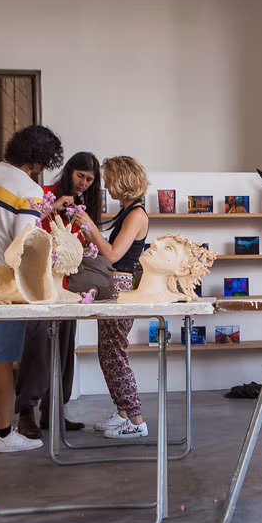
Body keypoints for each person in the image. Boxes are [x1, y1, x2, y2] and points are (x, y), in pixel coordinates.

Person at [0, 125, 63, 453]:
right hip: (2, 279)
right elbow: (23, 245)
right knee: (3, 360)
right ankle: (5, 435)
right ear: (38, 162)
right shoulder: (29, 189)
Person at [14, 152, 101, 438]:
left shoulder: (85, 205)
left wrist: (87, 226)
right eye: (80, 176)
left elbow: (91, 246)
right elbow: (25, 231)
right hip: (40, 285)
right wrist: (50, 208)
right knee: (36, 345)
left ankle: (55, 411)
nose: (83, 183)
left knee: (65, 346)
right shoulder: (45, 194)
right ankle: (26, 410)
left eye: (89, 179)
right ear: (69, 172)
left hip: (69, 286)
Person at [73, 156, 151, 439]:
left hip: (120, 286)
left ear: (121, 180)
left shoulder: (136, 215)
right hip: (113, 286)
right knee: (108, 352)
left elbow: (114, 254)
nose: (105, 185)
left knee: (115, 354)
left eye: (108, 179)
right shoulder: (129, 211)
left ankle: (136, 419)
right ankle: (122, 413)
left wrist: (90, 227)